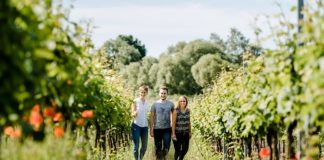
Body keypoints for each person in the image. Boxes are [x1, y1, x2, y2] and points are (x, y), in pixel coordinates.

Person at [150, 86, 175, 160]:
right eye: (161, 93)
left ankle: (163, 157)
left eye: (164, 93)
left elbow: (174, 116)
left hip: (167, 129)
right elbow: (152, 117)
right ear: (159, 94)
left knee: (167, 146)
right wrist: (151, 129)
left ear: (167, 94)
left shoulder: (171, 104)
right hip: (157, 129)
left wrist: (174, 130)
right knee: (158, 147)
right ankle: (159, 158)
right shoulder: (154, 104)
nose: (163, 95)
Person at [131, 86, 149, 160]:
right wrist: (134, 113)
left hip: (145, 126)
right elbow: (132, 113)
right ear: (139, 92)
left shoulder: (147, 102)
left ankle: (140, 158)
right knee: (136, 146)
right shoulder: (135, 101)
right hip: (136, 125)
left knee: (144, 146)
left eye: (144, 92)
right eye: (141, 92)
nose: (143, 93)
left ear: (147, 93)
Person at [172, 96, 191, 160]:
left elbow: (189, 122)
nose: (183, 102)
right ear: (179, 102)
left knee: (185, 149)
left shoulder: (188, 110)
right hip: (177, 133)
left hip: (185, 133)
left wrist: (190, 132)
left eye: (184, 101)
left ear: (186, 102)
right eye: (181, 101)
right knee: (177, 150)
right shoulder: (175, 111)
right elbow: (173, 123)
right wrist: (173, 134)